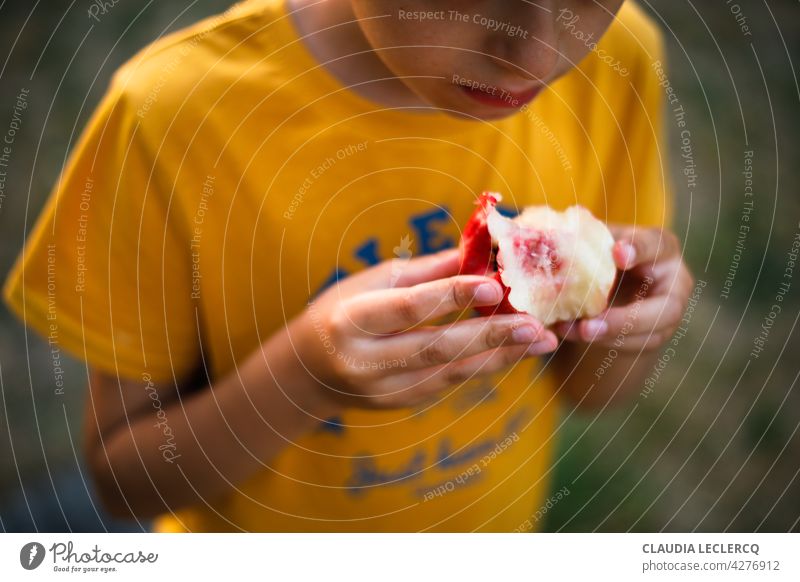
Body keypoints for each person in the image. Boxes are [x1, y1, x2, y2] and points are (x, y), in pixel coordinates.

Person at [3, 0, 693, 532]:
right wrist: (303, 377)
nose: (536, 51)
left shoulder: (620, 61)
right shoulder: (170, 119)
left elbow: (590, 392)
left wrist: (633, 323)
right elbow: (125, 484)